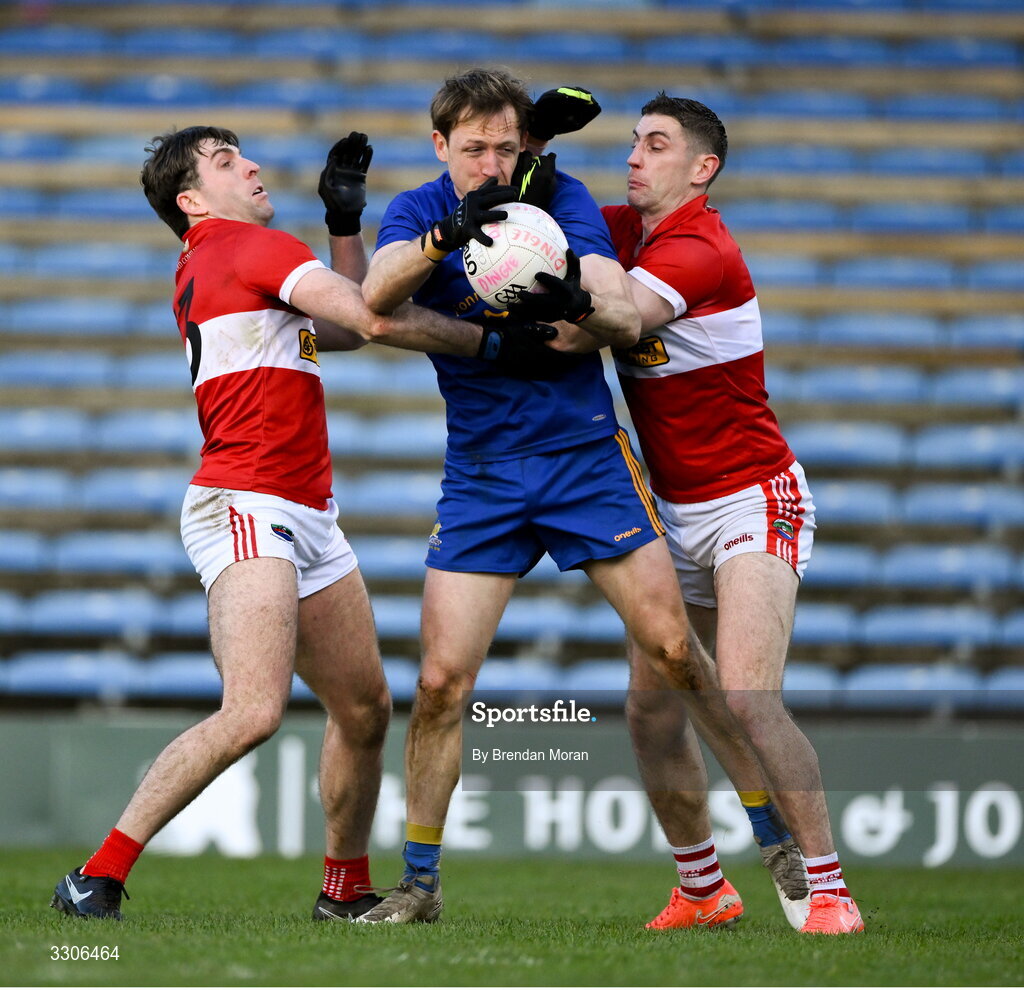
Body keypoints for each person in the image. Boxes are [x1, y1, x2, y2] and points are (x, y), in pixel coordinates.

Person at [50, 125, 557, 922]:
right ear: (191, 201)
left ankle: (343, 891)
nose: (249, 165)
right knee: (253, 710)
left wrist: (345, 227)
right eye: (225, 162)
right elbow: (376, 316)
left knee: (363, 708)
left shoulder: (229, 258)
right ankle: (96, 875)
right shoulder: (246, 247)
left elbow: (350, 329)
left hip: (302, 509)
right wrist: (492, 333)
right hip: (250, 501)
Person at [352, 67, 783, 930]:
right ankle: (420, 884)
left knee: (673, 653)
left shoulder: (560, 199)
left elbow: (616, 301)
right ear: (441, 147)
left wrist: (570, 302)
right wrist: (449, 242)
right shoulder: (416, 211)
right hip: (481, 474)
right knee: (440, 682)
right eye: (472, 149)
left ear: (524, 146)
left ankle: (775, 841)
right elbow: (374, 297)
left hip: (585, 456)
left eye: (505, 148)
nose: (490, 164)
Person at [528, 93, 864, 935]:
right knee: (648, 708)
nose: (635, 157)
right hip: (671, 512)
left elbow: (620, 319)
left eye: (656, 145)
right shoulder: (623, 230)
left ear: (702, 168)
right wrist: (530, 155)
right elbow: (542, 216)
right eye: (634, 142)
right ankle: (703, 886)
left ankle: (828, 887)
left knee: (749, 694)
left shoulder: (701, 246)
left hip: (753, 498)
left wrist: (544, 302)